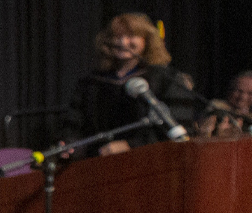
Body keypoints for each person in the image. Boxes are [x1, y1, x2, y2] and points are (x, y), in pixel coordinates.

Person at [62, 12, 206, 156]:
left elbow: (179, 132)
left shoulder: (167, 80)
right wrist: (69, 144)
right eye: (117, 36)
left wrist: (130, 145)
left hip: (151, 165)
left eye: (131, 36)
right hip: (98, 164)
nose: (123, 42)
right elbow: (75, 125)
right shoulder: (92, 83)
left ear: (147, 40)